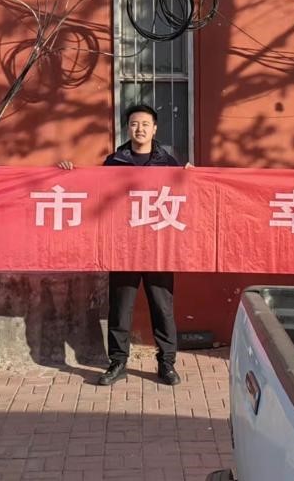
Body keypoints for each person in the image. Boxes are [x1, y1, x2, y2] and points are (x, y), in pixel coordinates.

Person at [57, 104, 193, 387]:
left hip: (158, 247)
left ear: (155, 129)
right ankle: (118, 362)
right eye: (134, 124)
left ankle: (166, 364)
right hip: (123, 248)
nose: (139, 129)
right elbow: (94, 193)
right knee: (120, 308)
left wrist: (192, 176)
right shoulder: (114, 162)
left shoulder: (168, 163)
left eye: (145, 124)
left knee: (163, 308)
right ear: (127, 128)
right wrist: (68, 174)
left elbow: (186, 195)